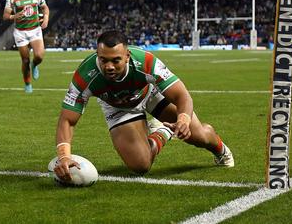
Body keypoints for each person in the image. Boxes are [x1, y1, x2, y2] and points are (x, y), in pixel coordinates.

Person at [52, 30, 233, 182]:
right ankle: (163, 131)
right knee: (140, 165)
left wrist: (183, 119)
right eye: (103, 60)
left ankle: (221, 150)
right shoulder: (85, 75)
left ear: (127, 56)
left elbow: (181, 95)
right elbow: (67, 120)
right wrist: (64, 156)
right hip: (118, 108)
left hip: (150, 94)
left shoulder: (146, 62)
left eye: (115, 60)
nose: (109, 66)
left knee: (198, 136)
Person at [2, 0, 49, 93]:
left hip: (35, 30)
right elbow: (6, 16)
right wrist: (14, 16)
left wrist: (46, 19)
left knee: (39, 56)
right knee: (25, 60)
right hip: (20, 32)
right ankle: (27, 84)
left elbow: (44, 7)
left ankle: (35, 65)